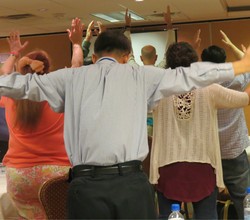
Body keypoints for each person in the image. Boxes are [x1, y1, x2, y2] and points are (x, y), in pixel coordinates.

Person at [0, 27, 249, 219]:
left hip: (86, 186)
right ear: (127, 56)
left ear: (95, 55)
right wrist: (241, 66)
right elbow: (192, 75)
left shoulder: (70, 77)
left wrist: (18, 62)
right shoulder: (141, 75)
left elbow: (16, 85)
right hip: (130, 183)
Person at [149, 41, 250, 219]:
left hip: (167, 168)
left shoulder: (157, 91)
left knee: (167, 215)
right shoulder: (209, 88)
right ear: (195, 62)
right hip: (203, 168)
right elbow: (244, 99)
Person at [0, 18, 83, 219]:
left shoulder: (12, 97)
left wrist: (13, 53)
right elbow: (77, 67)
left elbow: (4, 75)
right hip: (56, 176)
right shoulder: (60, 94)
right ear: (48, 69)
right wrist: (77, 43)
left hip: (19, 176)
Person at [201, 30, 250, 219]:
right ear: (224, 63)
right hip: (234, 151)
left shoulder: (199, 85)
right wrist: (233, 47)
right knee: (244, 199)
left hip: (208, 155)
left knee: (207, 202)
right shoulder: (237, 80)